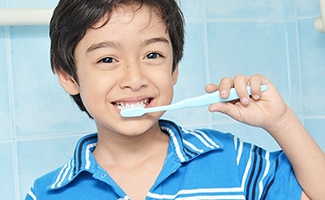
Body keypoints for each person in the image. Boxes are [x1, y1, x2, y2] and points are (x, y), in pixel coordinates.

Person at [26, 0, 325, 199]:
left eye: (152, 55)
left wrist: (281, 121)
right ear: (68, 76)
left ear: (174, 68)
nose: (135, 78)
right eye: (107, 59)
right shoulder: (47, 193)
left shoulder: (229, 158)